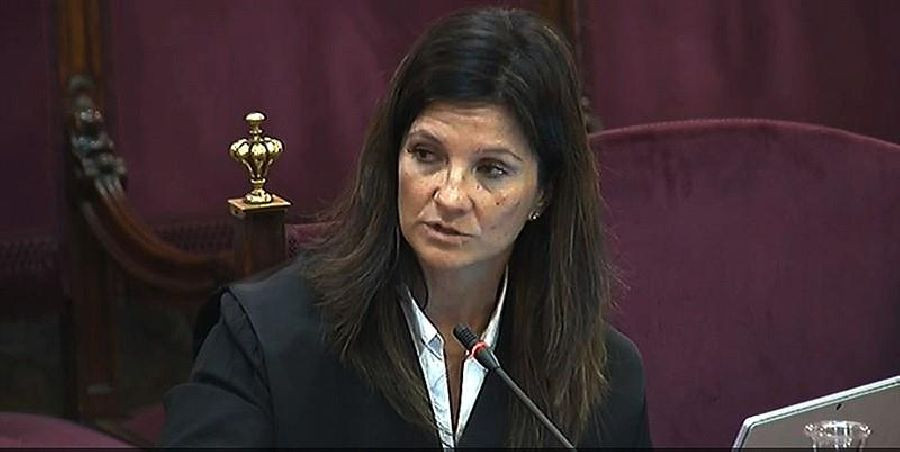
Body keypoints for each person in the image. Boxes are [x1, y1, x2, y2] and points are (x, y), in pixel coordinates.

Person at [161, 7, 651, 448]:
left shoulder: (605, 379)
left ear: (544, 193)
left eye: (491, 169)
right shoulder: (265, 337)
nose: (450, 196)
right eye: (426, 155)